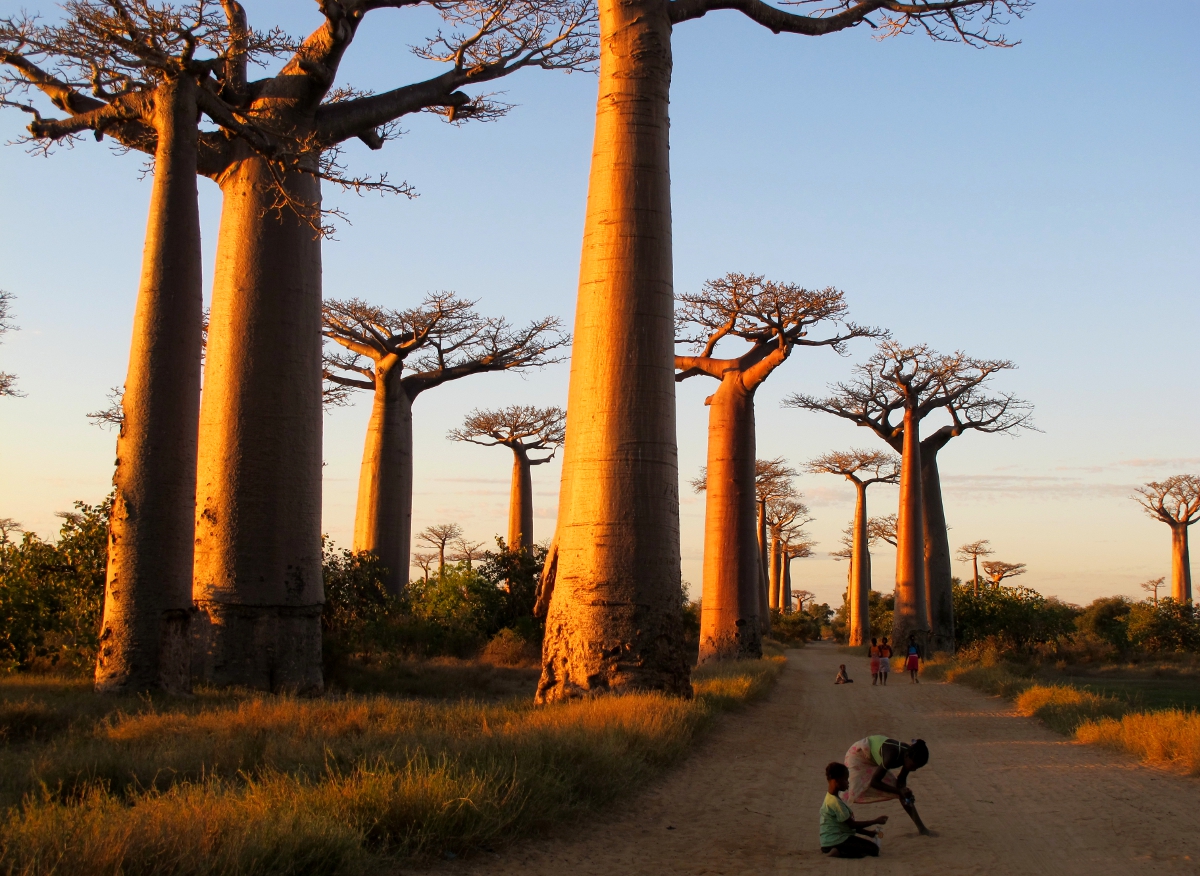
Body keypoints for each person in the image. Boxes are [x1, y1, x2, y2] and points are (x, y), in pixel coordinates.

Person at [842, 735, 932, 835]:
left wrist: (906, 794)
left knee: (901, 793)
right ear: (906, 756)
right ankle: (839, 819)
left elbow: (901, 780)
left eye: (916, 768)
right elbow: (875, 782)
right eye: (913, 766)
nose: (913, 770)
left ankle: (922, 829)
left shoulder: (909, 753)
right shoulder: (892, 755)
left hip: (875, 759)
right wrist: (900, 791)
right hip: (859, 755)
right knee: (849, 791)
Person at [820, 762, 888, 858]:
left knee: (868, 847)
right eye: (845, 779)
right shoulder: (835, 803)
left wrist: (869, 833)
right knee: (873, 850)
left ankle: (839, 850)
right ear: (837, 780)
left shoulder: (830, 798)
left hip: (829, 842)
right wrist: (875, 821)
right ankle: (839, 852)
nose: (848, 783)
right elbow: (852, 825)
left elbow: (847, 825)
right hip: (835, 842)